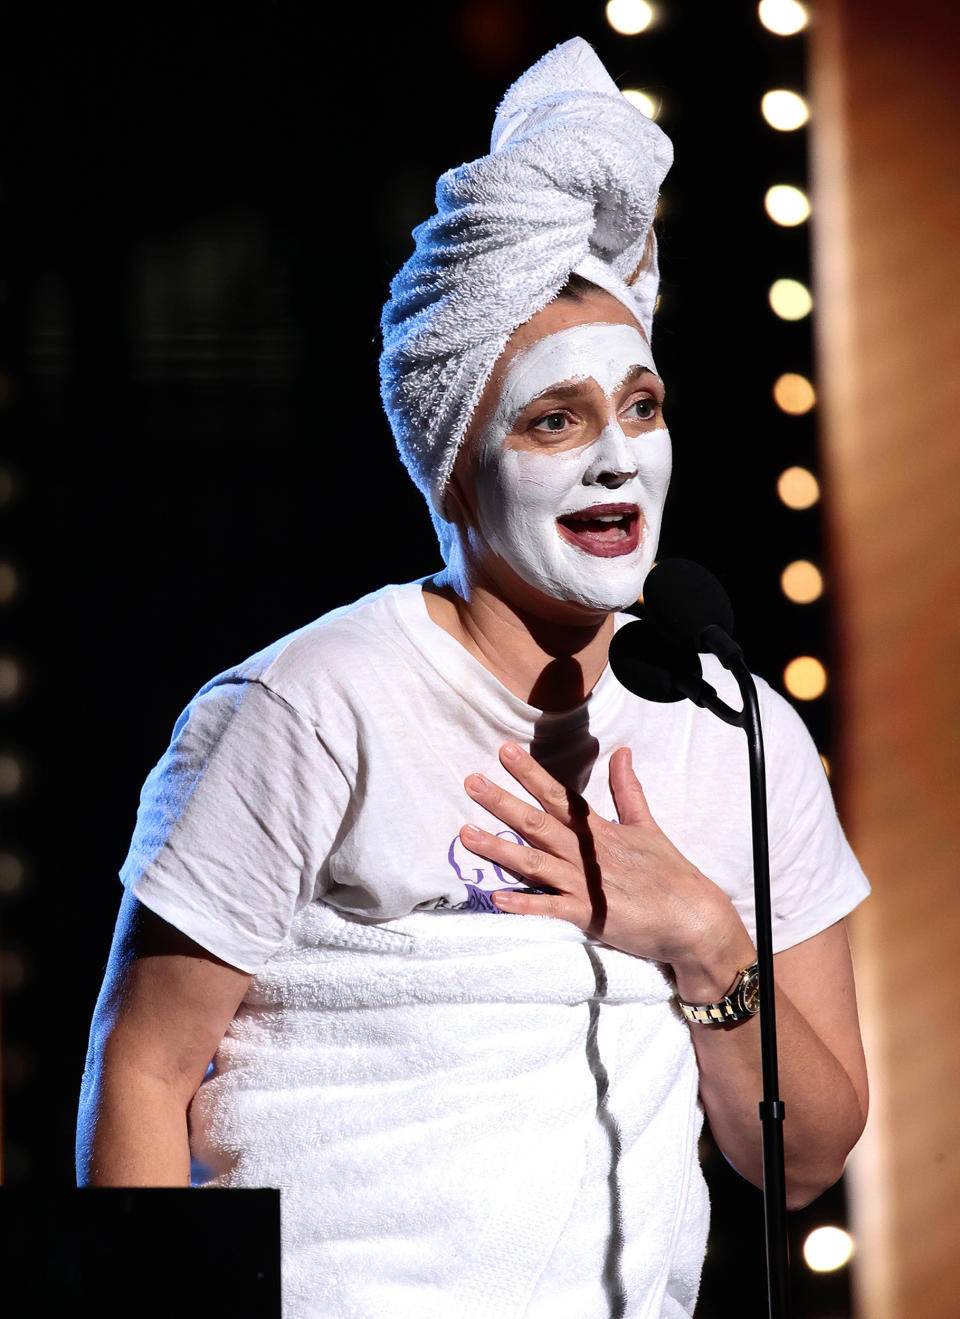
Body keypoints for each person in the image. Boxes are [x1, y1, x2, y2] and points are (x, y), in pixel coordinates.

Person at [76, 38, 869, 1319]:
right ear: (454, 465)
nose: (616, 456)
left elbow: (807, 1157)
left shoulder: (739, 729)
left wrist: (703, 937)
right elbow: (144, 1068)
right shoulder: (311, 703)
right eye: (556, 418)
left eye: (644, 405)